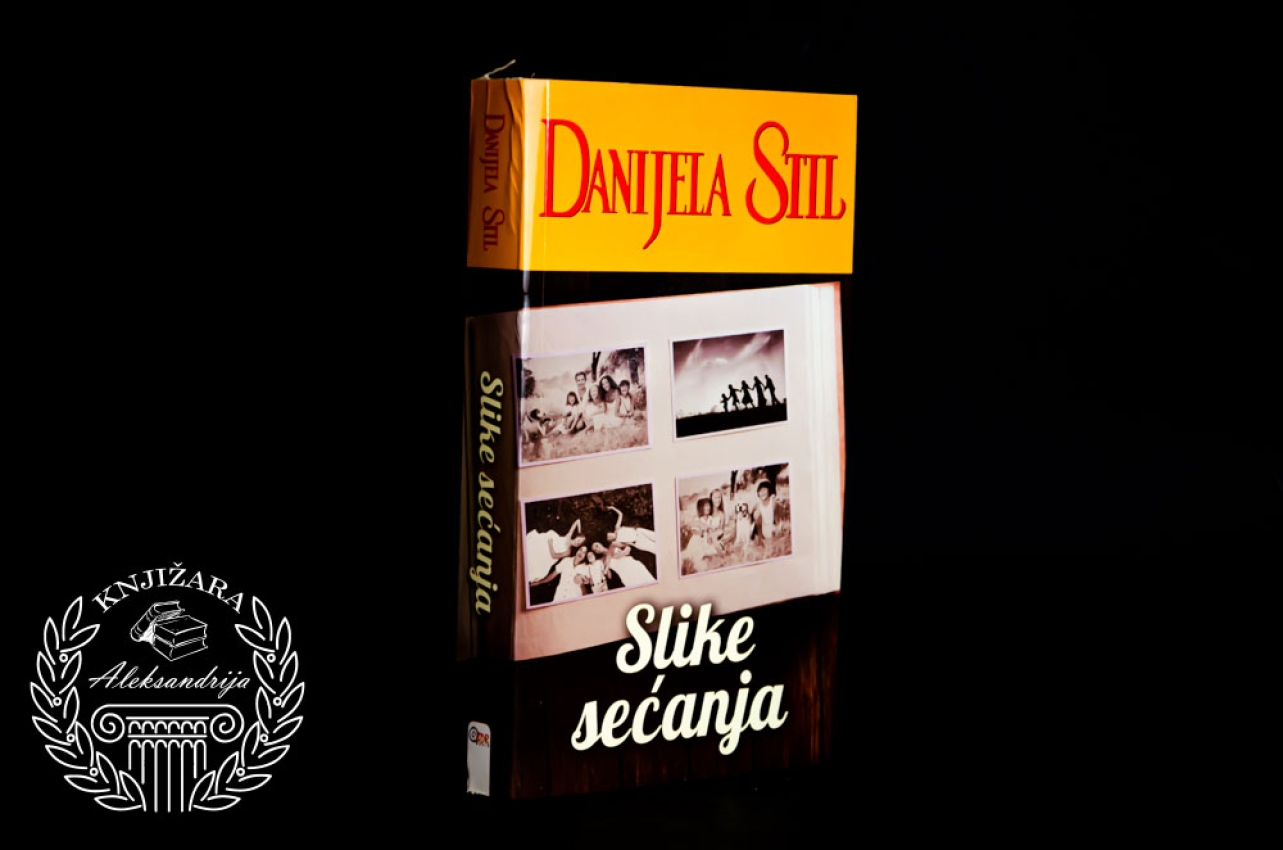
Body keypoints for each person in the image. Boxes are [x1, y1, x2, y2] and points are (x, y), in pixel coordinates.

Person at [525, 519, 586, 583]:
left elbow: (554, 555)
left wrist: (550, 544)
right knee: (534, 544)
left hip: (550, 553)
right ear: (576, 537)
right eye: (578, 540)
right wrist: (580, 532)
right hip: (548, 544)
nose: (578, 542)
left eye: (579, 543)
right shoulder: (569, 536)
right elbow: (577, 521)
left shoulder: (568, 551)